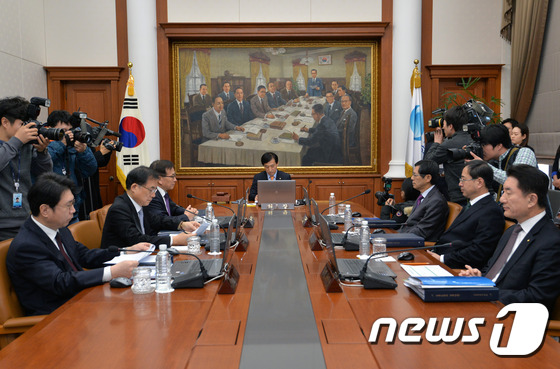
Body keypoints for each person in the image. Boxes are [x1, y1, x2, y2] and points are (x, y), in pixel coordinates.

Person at [6, 173, 150, 315]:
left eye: (73, 204)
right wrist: (111, 272)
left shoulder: (59, 229)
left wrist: (126, 251)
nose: (73, 211)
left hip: (81, 300)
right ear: (45, 210)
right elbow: (60, 282)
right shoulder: (26, 246)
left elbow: (84, 255)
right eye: (68, 206)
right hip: (56, 316)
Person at [459, 165, 560, 313]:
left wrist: (486, 293)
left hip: (508, 317)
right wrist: (480, 278)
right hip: (484, 305)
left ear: (531, 200)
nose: (502, 199)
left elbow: (537, 296)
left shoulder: (551, 241)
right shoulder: (512, 231)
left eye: (508, 193)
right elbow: (494, 270)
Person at [428, 160, 505, 269]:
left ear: (479, 182)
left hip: (458, 269)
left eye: (463, 179)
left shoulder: (491, 211)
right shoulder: (471, 204)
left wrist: (442, 259)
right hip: (439, 258)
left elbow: (479, 252)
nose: (460, 183)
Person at [100, 166, 196, 249]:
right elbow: (136, 239)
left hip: (141, 255)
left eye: (155, 190)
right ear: (134, 187)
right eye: (151, 190)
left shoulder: (141, 203)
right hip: (120, 262)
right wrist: (174, 240)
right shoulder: (119, 209)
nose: (154, 195)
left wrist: (182, 224)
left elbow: (158, 220)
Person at [0, 96, 52, 241]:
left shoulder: (25, 145)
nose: (27, 129)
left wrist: (42, 153)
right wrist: (16, 141)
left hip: (28, 220)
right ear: (5, 122)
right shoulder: (17, 143)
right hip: (3, 227)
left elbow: (45, 175)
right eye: (23, 124)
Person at [46, 110, 97, 222]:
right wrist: (60, 144)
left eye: (69, 130)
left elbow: (90, 170)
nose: (68, 134)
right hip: (51, 209)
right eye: (63, 131)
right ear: (50, 129)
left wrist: (84, 152)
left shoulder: (72, 147)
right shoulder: (42, 146)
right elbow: (44, 161)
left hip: (73, 209)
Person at [469, 124, 537, 201]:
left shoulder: (524, 152)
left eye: (484, 145)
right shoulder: (493, 161)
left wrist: (484, 166)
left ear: (499, 146)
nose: (481, 148)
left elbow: (516, 181)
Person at [424, 105, 473, 205]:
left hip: (458, 197)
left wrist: (437, 143)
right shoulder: (472, 139)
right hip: (474, 194)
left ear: (450, 126)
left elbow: (427, 163)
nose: (442, 127)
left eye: (444, 124)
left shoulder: (448, 144)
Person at [399, 160, 449, 242]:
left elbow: (422, 231)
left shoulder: (436, 201)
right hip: (408, 237)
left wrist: (397, 237)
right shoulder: (423, 196)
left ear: (428, 178)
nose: (412, 178)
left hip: (420, 246)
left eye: (415, 175)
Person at [146, 160, 199, 227]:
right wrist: (185, 216)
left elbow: (174, 209)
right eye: (172, 176)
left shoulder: (163, 193)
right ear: (159, 179)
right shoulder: (153, 196)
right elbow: (162, 221)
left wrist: (188, 211)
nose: (175, 180)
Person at [80, 140, 115, 219]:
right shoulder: (72, 146)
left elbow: (100, 163)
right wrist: (100, 153)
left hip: (92, 185)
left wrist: (106, 152)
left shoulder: (87, 144)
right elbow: (83, 165)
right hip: (82, 189)